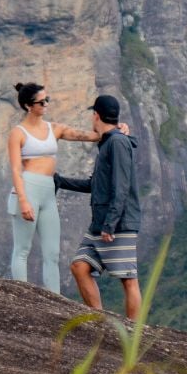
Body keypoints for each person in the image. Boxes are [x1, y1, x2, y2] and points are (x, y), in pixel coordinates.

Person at [7, 82, 127, 294]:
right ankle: (21, 297)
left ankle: (55, 299)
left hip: (48, 191)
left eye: (47, 100)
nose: (46, 104)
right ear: (28, 106)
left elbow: (91, 135)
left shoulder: (55, 129)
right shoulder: (18, 133)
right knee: (22, 249)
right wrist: (23, 200)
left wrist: (118, 128)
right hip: (27, 188)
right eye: (41, 102)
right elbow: (16, 169)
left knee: (52, 253)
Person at [55, 94, 142, 319]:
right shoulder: (107, 144)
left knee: (128, 279)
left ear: (96, 116)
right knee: (79, 267)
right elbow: (95, 185)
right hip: (100, 224)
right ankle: (100, 321)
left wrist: (110, 223)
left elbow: (121, 187)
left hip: (118, 223)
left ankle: (133, 335)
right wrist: (60, 180)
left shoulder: (118, 143)